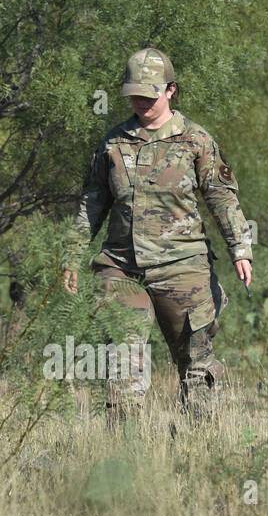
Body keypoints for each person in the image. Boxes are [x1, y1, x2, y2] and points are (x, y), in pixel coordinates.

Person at [63, 47, 253, 422]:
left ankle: (198, 448)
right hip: (122, 267)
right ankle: (125, 449)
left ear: (170, 91)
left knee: (195, 363)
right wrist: (70, 254)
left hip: (183, 267)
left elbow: (221, 196)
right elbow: (92, 204)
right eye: (135, 94)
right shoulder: (113, 143)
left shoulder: (194, 140)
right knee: (122, 359)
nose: (141, 102)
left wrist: (239, 247)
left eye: (150, 94)